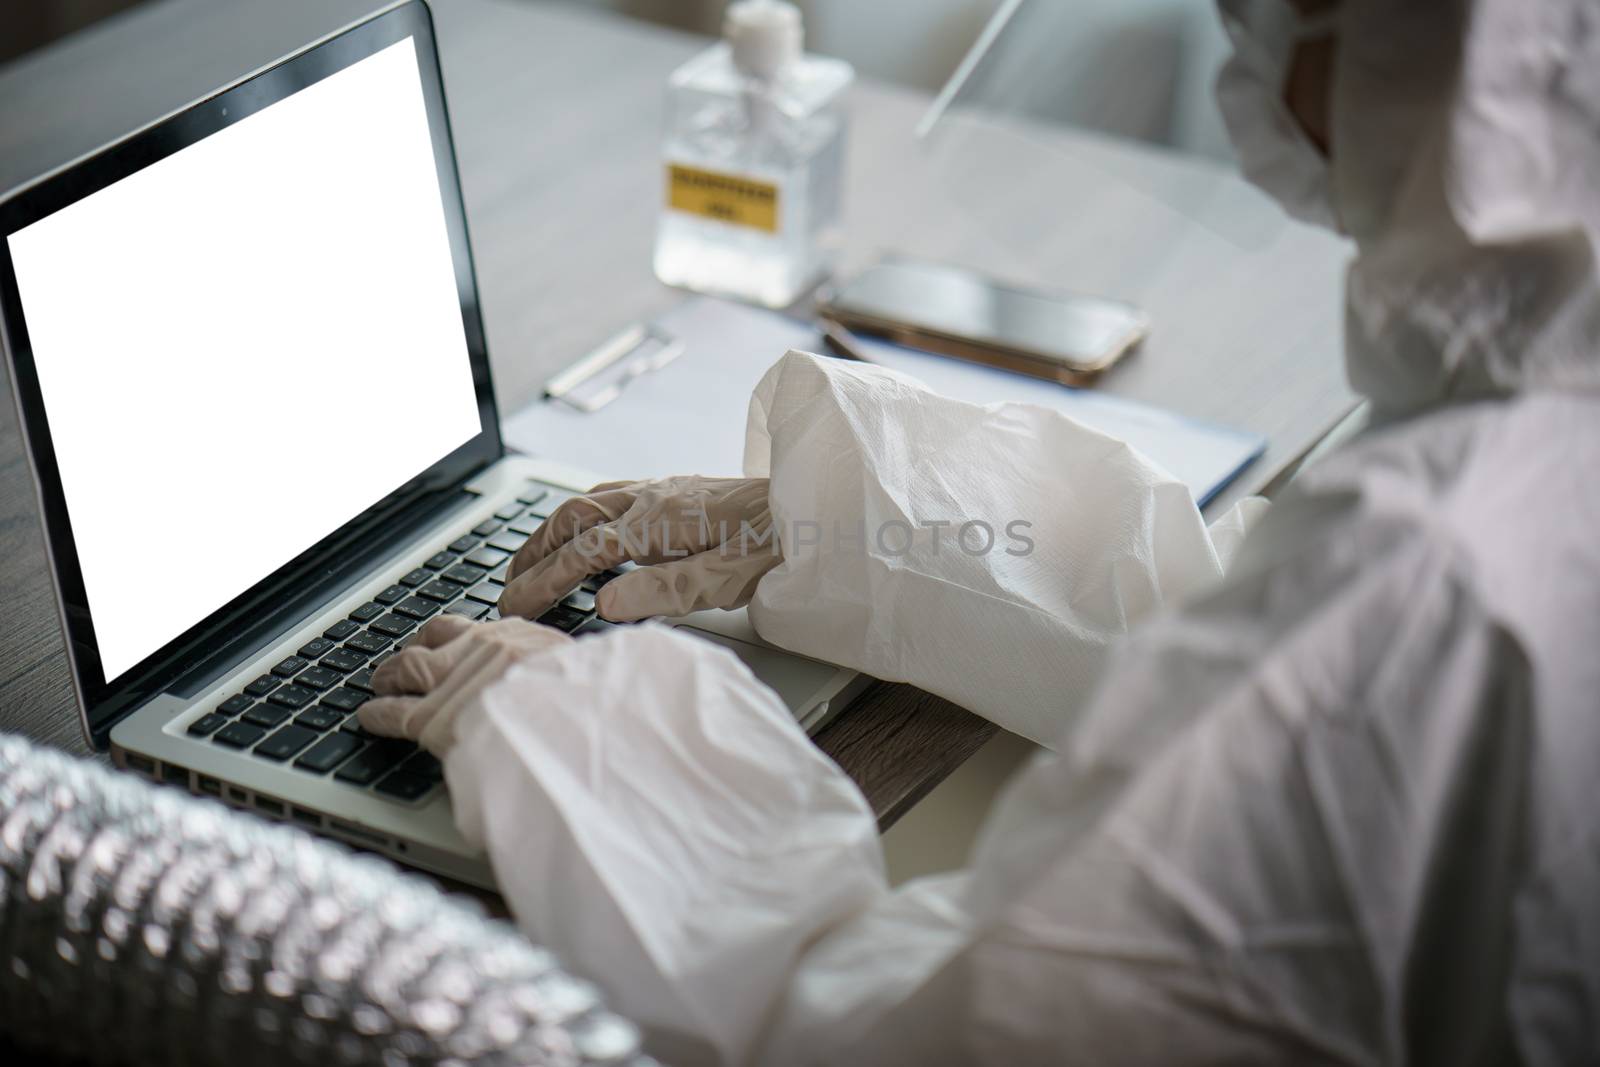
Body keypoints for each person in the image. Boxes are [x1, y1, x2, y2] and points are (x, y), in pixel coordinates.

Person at [358, 0, 1600, 1062]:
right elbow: (1246, 616)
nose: (1251, 48)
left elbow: (882, 1035)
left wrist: (590, 739)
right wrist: (859, 513)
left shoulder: (1421, 567)